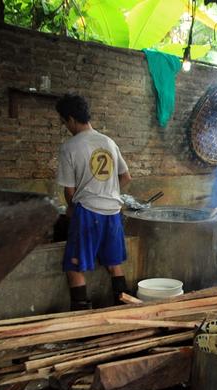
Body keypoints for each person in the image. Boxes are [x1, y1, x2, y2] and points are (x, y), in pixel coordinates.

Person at [56, 94, 132, 310]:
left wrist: (72, 209)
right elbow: (126, 177)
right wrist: (107, 192)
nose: (65, 127)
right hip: (113, 213)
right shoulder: (108, 141)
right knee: (113, 263)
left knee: (74, 266)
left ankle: (81, 319)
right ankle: (124, 309)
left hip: (88, 212)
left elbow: (69, 191)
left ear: (70, 119)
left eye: (64, 122)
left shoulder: (70, 147)